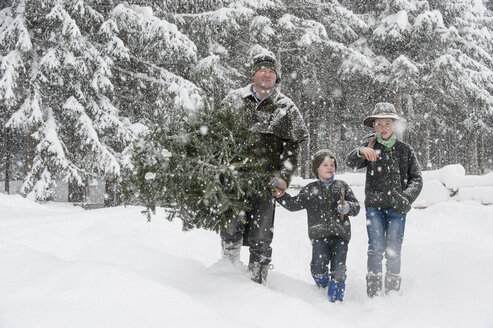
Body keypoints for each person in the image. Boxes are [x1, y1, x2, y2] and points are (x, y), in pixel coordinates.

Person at [219, 51, 308, 284]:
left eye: (271, 71)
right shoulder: (233, 100)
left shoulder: (285, 107)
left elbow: (293, 148)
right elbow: (217, 137)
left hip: (266, 183)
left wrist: (284, 177)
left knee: (261, 234)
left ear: (276, 77)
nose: (267, 75)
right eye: (263, 70)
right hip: (234, 181)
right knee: (230, 227)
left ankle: (257, 282)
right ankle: (227, 276)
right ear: (254, 74)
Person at [345, 102, 423, 297]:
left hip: (398, 209)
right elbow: (349, 163)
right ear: (374, 126)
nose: (383, 128)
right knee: (376, 248)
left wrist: (405, 198)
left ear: (394, 125)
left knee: (393, 250)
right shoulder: (370, 147)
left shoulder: (405, 150)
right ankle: (373, 291)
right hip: (374, 208)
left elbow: (417, 179)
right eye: (379, 124)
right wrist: (360, 152)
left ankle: (392, 291)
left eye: (387, 123)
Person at [273, 150, 360, 302]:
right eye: (325, 164)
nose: (329, 167)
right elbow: (294, 205)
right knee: (318, 267)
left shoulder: (342, 186)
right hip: (319, 235)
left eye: (332, 164)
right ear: (316, 169)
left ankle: (336, 300)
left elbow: (356, 207)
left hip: (341, 234)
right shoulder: (310, 189)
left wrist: (347, 207)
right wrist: (280, 195)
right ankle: (323, 284)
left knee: (338, 269)